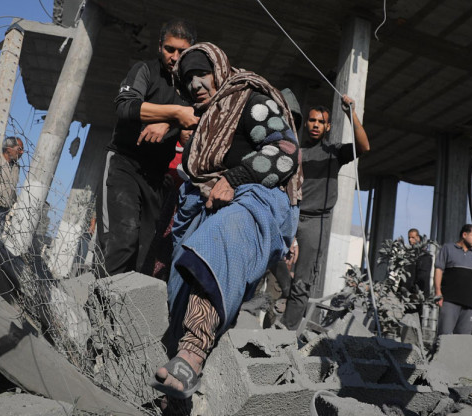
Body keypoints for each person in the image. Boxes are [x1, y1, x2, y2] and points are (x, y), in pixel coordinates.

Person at [149, 43, 303, 399]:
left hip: (252, 200)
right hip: (204, 204)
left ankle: (192, 356)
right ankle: (186, 382)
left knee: (219, 240)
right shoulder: (205, 122)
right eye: (187, 79)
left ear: (218, 70)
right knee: (183, 279)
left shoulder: (249, 99)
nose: (196, 85)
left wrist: (234, 179)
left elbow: (286, 151)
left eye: (202, 74)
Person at [96, 18, 198, 276]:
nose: (175, 57)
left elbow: (195, 126)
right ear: (160, 47)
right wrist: (173, 114)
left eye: (182, 51)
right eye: (169, 49)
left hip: (155, 178)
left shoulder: (191, 89)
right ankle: (97, 306)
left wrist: (173, 125)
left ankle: (123, 311)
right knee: (123, 240)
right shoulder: (146, 70)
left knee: (144, 254)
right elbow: (126, 106)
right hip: (124, 165)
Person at [279, 95, 370, 330]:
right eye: (312, 120)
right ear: (306, 123)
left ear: (328, 126)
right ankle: (284, 292)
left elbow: (364, 146)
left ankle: (286, 332)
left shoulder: (334, 152)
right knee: (267, 256)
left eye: (321, 121)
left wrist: (351, 114)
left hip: (316, 221)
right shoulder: (294, 151)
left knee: (303, 282)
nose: (316, 125)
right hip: (290, 214)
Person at [434, 224, 472, 335]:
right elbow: (438, 269)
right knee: (444, 336)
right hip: (449, 301)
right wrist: (438, 292)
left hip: (470, 305)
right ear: (464, 234)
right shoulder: (448, 248)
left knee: (463, 341)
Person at [0, 136, 23, 234]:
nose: (22, 152)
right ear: (8, 149)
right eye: (19, 149)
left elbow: (12, 187)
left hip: (4, 209)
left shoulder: (16, 167)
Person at [402, 228, 434, 296]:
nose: (410, 240)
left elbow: (423, 278)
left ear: (418, 237)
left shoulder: (425, 257)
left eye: (413, 237)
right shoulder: (408, 255)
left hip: (418, 294)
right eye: (409, 238)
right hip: (406, 293)